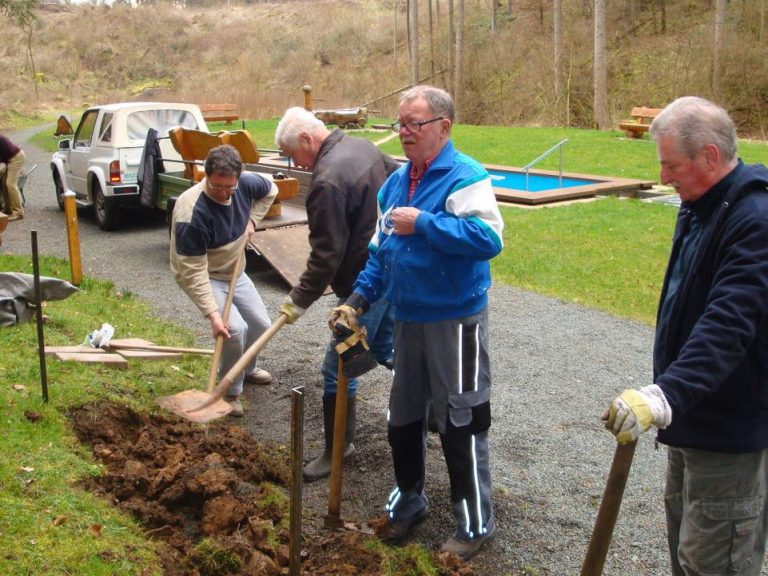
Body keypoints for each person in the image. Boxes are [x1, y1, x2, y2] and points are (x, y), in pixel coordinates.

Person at [328, 85, 504, 559]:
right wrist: (357, 300)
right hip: (408, 318)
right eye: (400, 124)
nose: (404, 132)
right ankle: (409, 501)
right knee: (402, 416)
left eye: (414, 124)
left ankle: (475, 523)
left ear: (443, 127)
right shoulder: (393, 185)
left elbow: (488, 239)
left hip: (456, 320)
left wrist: (424, 223)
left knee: (463, 419)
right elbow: (380, 252)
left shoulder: (465, 176)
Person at [603, 96, 768, 576]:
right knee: (686, 553)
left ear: (710, 156)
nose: (664, 177)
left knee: (714, 562)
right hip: (691, 415)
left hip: (729, 430)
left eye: (672, 166)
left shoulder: (755, 221)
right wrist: (672, 397)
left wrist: (665, 395)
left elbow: (728, 322)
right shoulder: (702, 206)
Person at [274, 106, 400, 482]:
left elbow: (325, 256)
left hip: (366, 286)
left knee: (337, 368)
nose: (295, 164)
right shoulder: (364, 147)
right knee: (387, 348)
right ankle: (431, 405)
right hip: (394, 269)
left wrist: (297, 300)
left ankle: (338, 448)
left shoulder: (327, 181)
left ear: (307, 139)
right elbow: (400, 181)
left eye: (293, 154)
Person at [170, 144, 277, 417]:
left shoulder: (246, 184)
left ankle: (246, 368)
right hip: (205, 274)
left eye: (230, 187)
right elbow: (192, 271)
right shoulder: (191, 212)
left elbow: (272, 190)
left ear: (238, 178)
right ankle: (229, 391)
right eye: (216, 186)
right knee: (234, 331)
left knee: (261, 325)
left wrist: (252, 221)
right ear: (206, 176)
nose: (223, 193)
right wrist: (213, 315)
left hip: (235, 271)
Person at [0, 134, 26, 221]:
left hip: (16, 158)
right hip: (9, 159)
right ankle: (8, 209)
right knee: (4, 183)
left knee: (10, 184)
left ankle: (18, 212)